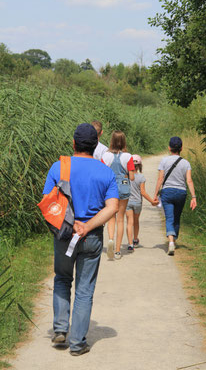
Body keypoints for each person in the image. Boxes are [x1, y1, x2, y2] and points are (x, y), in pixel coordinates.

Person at [42, 123, 119, 356]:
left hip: (64, 234)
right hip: (91, 237)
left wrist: (72, 223)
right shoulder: (105, 171)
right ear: (96, 145)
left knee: (62, 279)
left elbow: (47, 203)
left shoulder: (59, 167)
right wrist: (87, 226)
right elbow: (113, 207)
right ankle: (77, 344)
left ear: (73, 143)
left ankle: (60, 329)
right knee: (85, 289)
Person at [153, 137, 197, 256]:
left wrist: (156, 193)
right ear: (181, 148)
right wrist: (194, 197)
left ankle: (171, 242)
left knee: (169, 217)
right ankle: (174, 239)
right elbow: (189, 180)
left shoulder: (164, 161)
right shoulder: (186, 163)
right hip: (181, 193)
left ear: (169, 148)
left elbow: (160, 179)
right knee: (176, 217)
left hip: (167, 192)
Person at [102, 130, 135, 260]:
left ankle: (110, 239)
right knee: (121, 218)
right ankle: (117, 250)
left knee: (111, 216)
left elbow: (103, 174)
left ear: (112, 141)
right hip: (123, 187)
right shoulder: (128, 156)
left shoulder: (105, 156)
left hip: (110, 187)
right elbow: (132, 177)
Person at [126, 154, 158, 250]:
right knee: (136, 221)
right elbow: (142, 192)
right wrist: (152, 201)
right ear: (140, 165)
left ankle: (130, 244)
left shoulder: (126, 176)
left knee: (129, 223)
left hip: (127, 202)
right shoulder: (141, 177)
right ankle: (135, 239)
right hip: (137, 203)